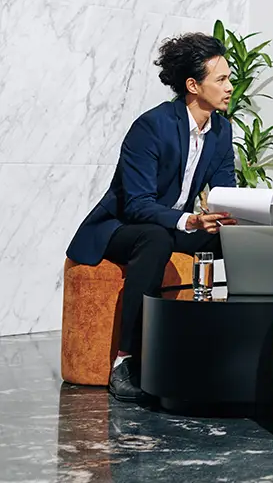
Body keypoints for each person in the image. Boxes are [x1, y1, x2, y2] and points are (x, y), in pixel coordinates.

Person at [65, 33, 238, 402]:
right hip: (123, 228)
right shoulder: (152, 126)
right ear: (193, 86)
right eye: (221, 79)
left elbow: (226, 192)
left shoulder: (222, 131)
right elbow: (137, 203)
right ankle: (125, 361)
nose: (230, 87)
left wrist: (256, 216)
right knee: (155, 238)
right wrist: (190, 221)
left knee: (239, 242)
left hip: (174, 226)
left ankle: (232, 349)